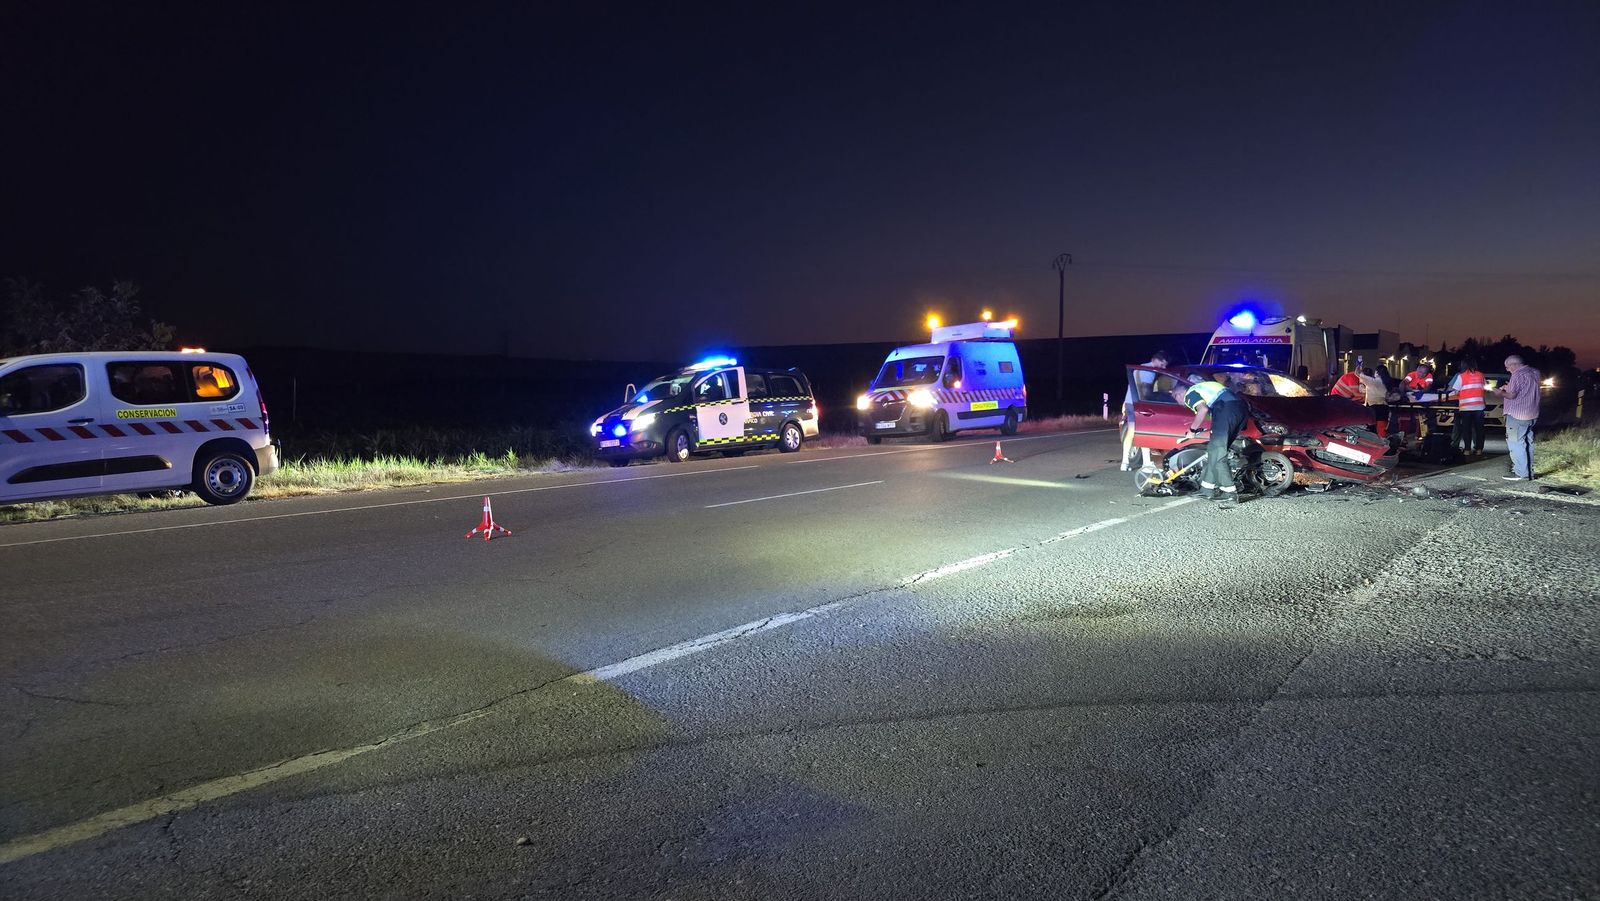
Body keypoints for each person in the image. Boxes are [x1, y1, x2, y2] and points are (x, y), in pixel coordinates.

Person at [1178, 373, 1247, 505]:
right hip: (1239, 409)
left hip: (1227, 409)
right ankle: (1206, 489)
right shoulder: (1205, 388)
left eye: (1176, 399)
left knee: (1217, 452)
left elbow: (1202, 410)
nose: (1180, 403)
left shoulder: (1190, 394)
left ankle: (1230, 494)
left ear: (1179, 394)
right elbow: (1213, 414)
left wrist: (1192, 430)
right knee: (1214, 451)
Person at [1121, 350, 1169, 471]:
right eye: (1162, 364)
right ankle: (1147, 463)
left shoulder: (1140, 367)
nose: (1163, 367)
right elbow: (1145, 392)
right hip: (1139, 404)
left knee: (1131, 432)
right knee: (1143, 431)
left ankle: (1124, 462)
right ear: (1155, 360)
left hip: (1129, 402)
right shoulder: (1150, 372)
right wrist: (1161, 396)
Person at [1496, 354, 1540, 480]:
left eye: (1508, 367)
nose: (1507, 369)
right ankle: (1529, 471)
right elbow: (1525, 389)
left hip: (1517, 414)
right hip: (1532, 413)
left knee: (1516, 443)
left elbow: (1511, 396)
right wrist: (1508, 387)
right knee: (1528, 442)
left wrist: (1500, 392)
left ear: (1514, 364)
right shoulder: (1535, 372)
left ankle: (1521, 473)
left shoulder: (1517, 374)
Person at [1446, 357, 1487, 457]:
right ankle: (1479, 450)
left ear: (1464, 365)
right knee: (1479, 429)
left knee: (1466, 429)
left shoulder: (1461, 376)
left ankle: (1467, 450)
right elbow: (1484, 387)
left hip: (1466, 407)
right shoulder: (1481, 375)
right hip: (1479, 406)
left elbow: (1455, 391)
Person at [1358, 367, 1389, 436]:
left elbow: (1359, 375)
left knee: (1371, 429)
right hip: (1383, 407)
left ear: (1377, 373)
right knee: (1382, 429)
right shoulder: (1385, 381)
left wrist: (1359, 369)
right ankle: (1384, 443)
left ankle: (1373, 445)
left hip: (1374, 407)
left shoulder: (1374, 382)